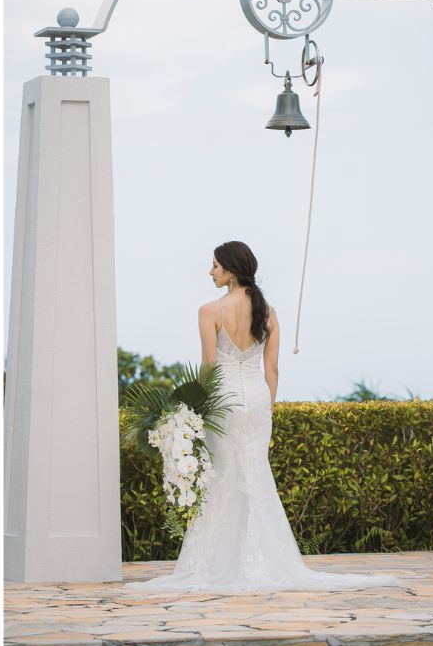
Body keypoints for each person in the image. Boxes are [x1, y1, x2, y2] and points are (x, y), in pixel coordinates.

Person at [122, 240, 405, 593]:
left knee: (222, 477)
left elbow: (208, 367)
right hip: (257, 402)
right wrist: (267, 409)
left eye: (214, 265)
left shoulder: (209, 310)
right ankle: (261, 559)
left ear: (230, 271)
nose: (210, 272)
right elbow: (272, 370)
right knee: (255, 475)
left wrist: (195, 411)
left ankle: (217, 562)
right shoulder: (268, 312)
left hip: (223, 402)